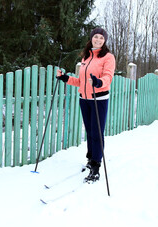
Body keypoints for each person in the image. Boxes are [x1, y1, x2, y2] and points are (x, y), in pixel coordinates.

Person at [57, 27, 116, 182]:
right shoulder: (86, 57)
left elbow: (108, 77)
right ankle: (90, 159)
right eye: (96, 37)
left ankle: (96, 166)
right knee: (90, 132)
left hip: (99, 99)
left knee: (97, 132)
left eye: (101, 38)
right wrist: (66, 78)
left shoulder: (108, 57)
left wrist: (98, 82)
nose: (98, 40)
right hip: (84, 99)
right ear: (91, 39)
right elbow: (81, 82)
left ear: (104, 41)